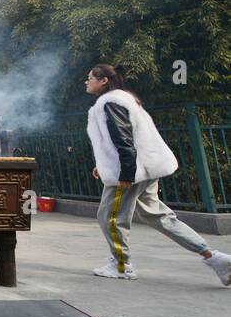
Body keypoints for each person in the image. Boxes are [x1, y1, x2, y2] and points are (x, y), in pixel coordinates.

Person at [85, 64, 231, 283]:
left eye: (90, 78)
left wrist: (126, 174)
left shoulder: (110, 102)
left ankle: (122, 266)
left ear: (103, 80)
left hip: (132, 171)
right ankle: (214, 257)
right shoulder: (124, 98)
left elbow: (123, 140)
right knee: (160, 217)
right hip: (145, 168)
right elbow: (121, 139)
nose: (87, 82)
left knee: (110, 217)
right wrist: (104, 164)